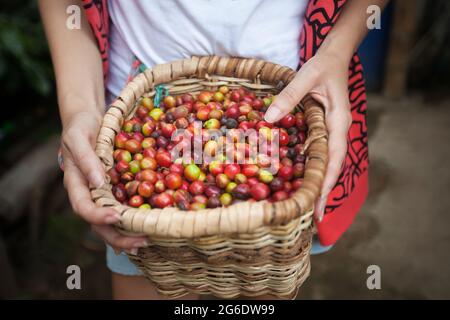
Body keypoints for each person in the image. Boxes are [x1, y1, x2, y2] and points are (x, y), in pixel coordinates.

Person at [39, 0, 388, 299]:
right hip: (138, 95)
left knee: (264, 279)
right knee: (148, 267)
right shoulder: (147, 154)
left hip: (293, 93)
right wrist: (80, 108)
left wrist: (338, 50)